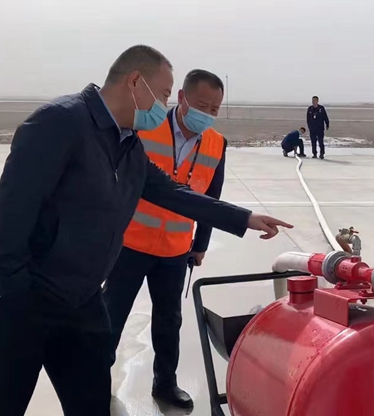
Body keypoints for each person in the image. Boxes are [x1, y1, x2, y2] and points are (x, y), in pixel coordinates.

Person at [0, 45, 292, 416]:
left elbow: (171, 192)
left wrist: (244, 218)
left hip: (81, 300)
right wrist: (14, 294)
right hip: (26, 300)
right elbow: (10, 220)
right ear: (135, 82)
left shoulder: (126, 143)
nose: (164, 105)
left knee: (91, 404)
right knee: (2, 406)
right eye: (163, 95)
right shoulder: (59, 123)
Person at [102, 69, 229, 409]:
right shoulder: (144, 128)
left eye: (214, 109)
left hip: (175, 249)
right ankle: (95, 380)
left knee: (169, 321)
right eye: (202, 105)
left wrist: (200, 245)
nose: (207, 114)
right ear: (182, 98)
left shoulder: (216, 143)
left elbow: (211, 199)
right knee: (111, 316)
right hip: (129, 243)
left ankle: (166, 384)